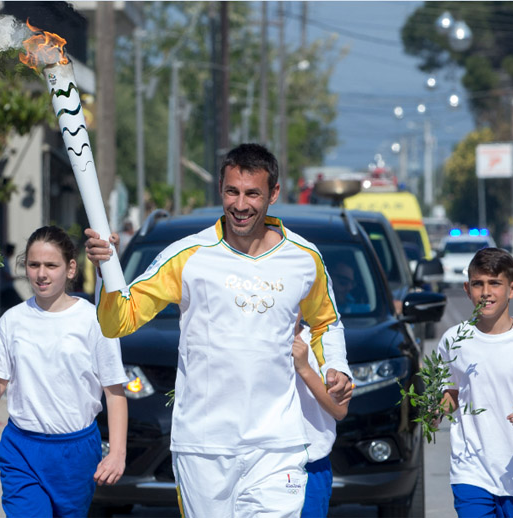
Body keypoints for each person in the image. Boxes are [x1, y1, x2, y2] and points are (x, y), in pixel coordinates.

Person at [85, 143, 352, 517]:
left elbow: (326, 322)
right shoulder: (187, 256)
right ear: (221, 191)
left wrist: (335, 366)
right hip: (204, 445)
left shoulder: (304, 259)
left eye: (252, 193)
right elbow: (119, 321)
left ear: (273, 194)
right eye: (232, 192)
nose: (240, 205)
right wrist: (107, 273)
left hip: (277, 444)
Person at [0, 225, 128, 517]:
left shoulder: (94, 320)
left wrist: (117, 454)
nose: (41, 274)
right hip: (22, 451)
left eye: (51, 265)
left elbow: (114, 392)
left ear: (70, 268)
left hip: (76, 453)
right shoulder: (12, 320)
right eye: (34, 265)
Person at [437, 247, 513, 518]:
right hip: (470, 469)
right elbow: (452, 394)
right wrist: (436, 411)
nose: (486, 292)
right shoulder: (453, 340)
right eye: (478, 284)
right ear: (468, 289)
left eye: (495, 283)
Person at [292, 319, 351, 518]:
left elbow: (340, 410)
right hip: (263, 459)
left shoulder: (321, 341)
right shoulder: (255, 340)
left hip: (310, 464)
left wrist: (304, 369)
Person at [0, 242, 23, 312]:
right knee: (20, 306)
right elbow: (7, 277)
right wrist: (20, 277)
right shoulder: (4, 261)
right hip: (6, 290)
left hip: (7, 290)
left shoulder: (5, 260)